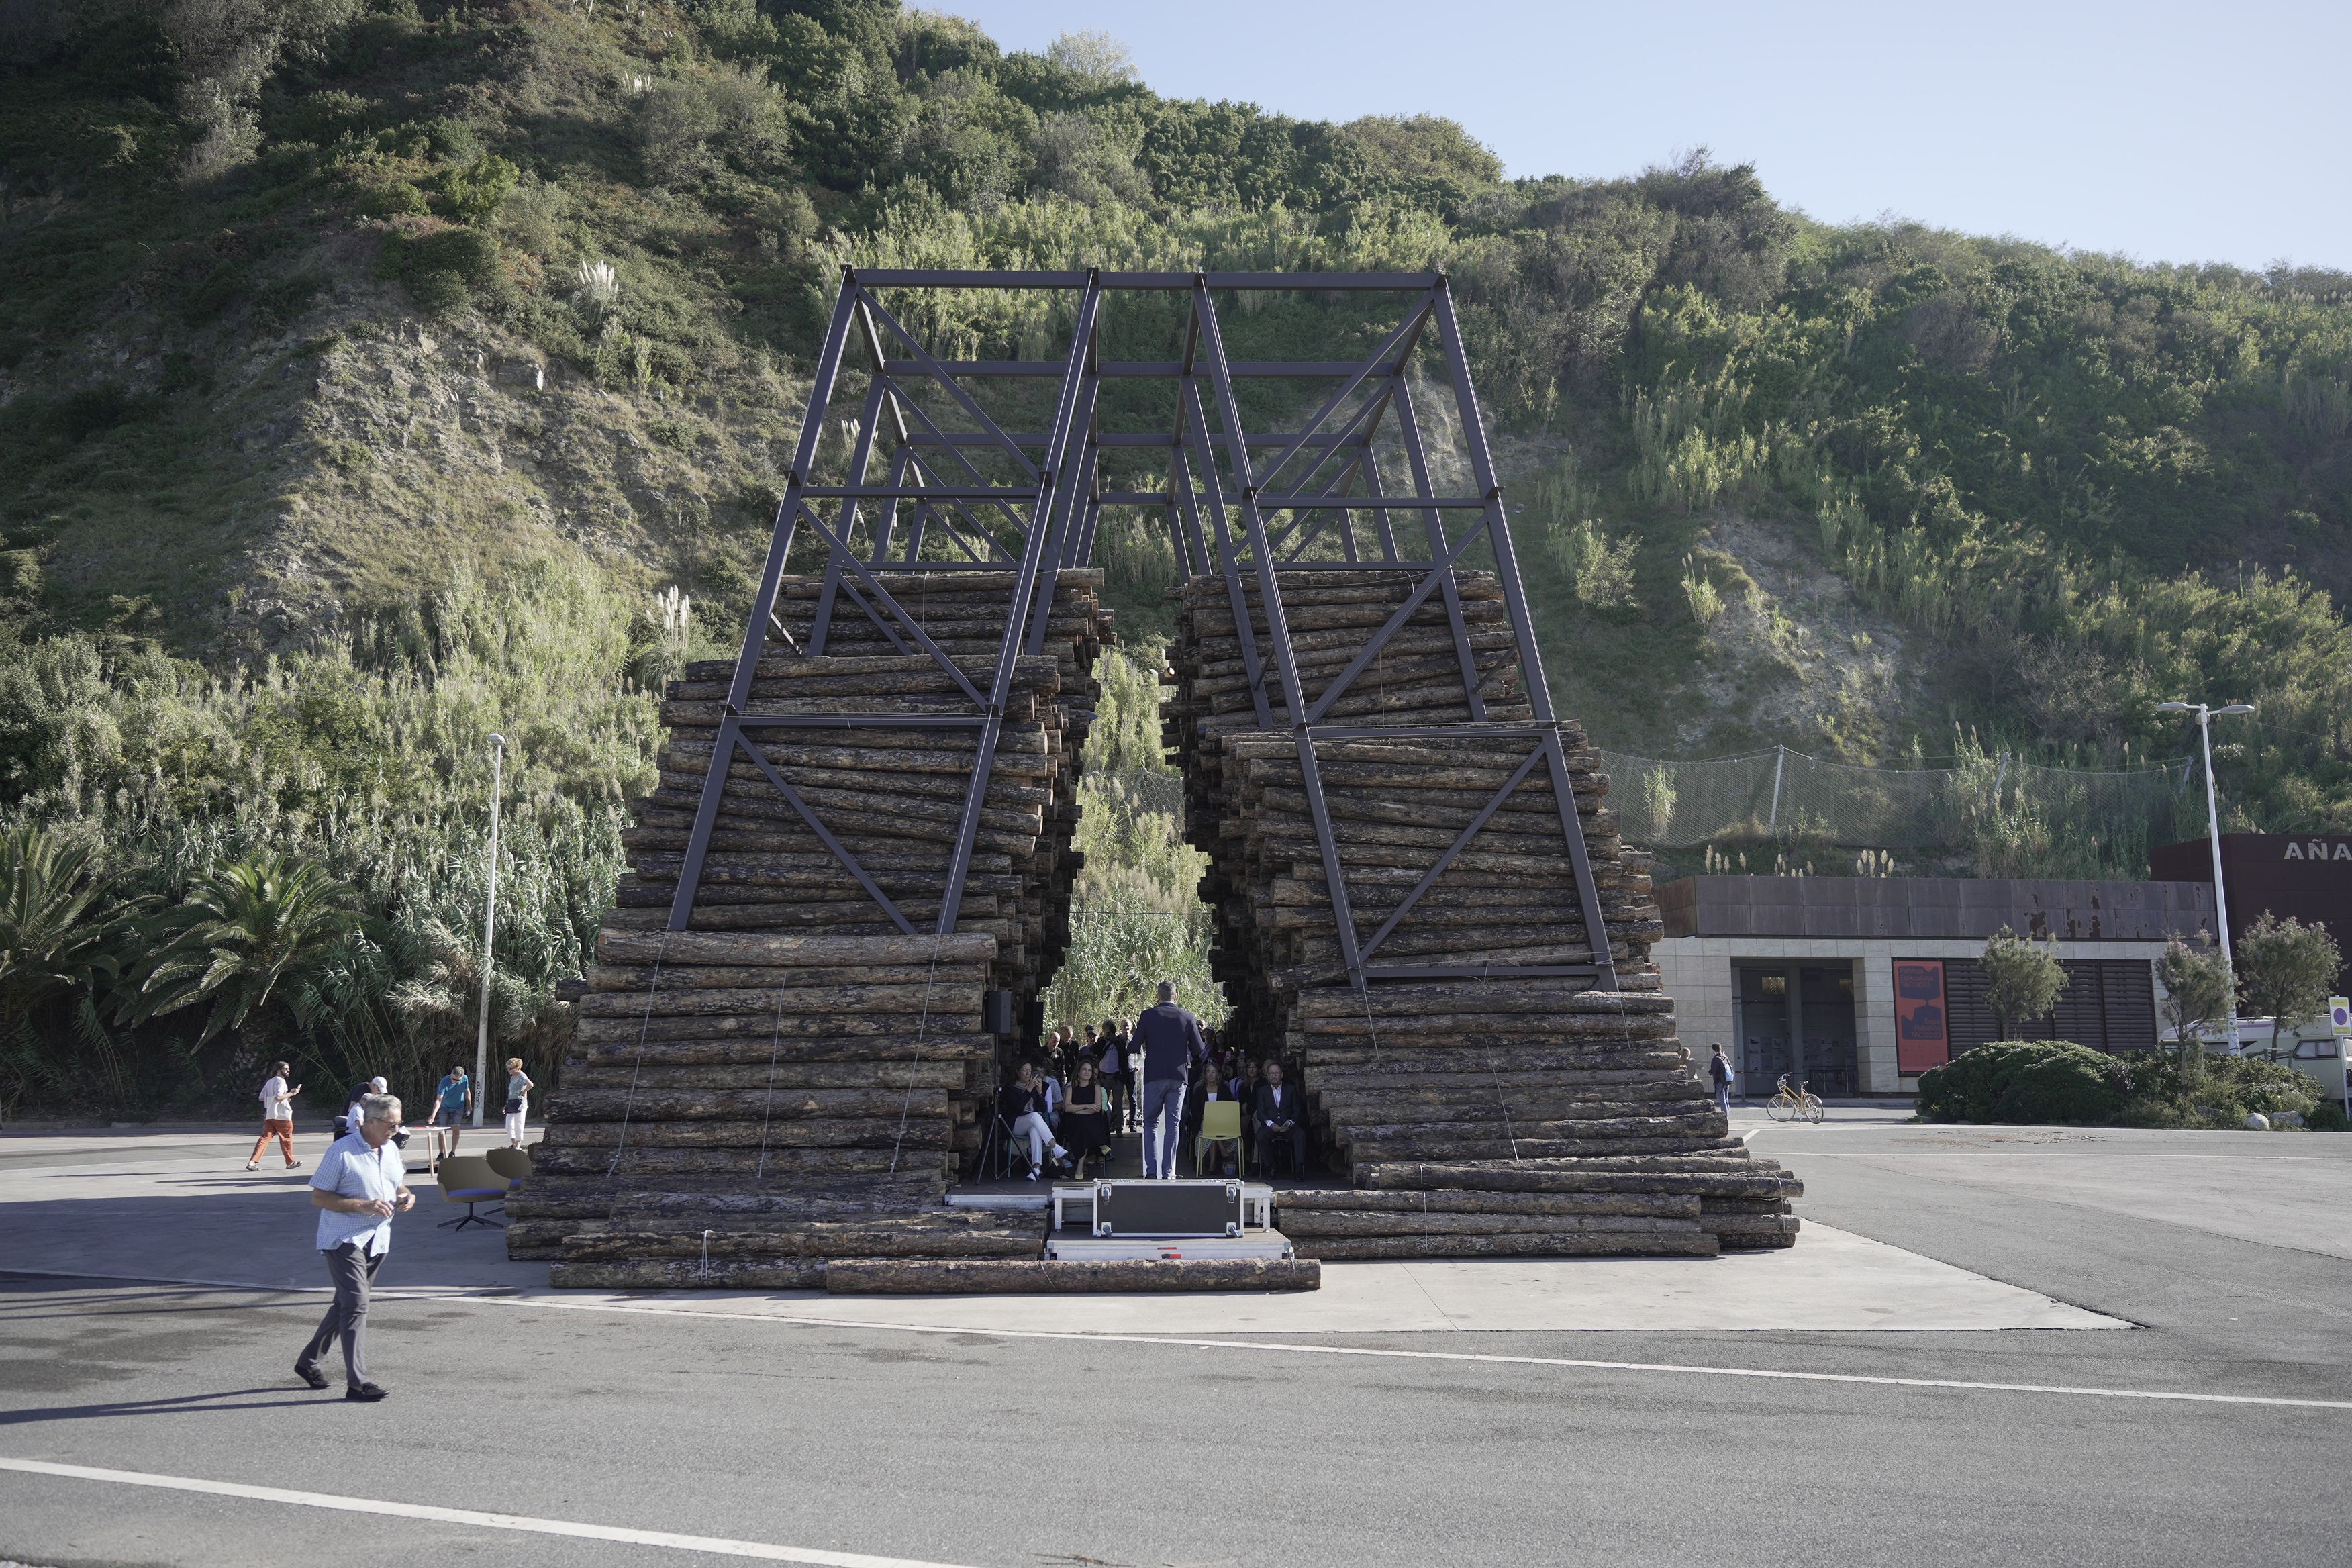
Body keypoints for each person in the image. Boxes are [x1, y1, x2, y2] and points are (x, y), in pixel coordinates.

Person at [295, 1092, 413, 1401]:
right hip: (344, 1239)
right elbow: (319, 1197)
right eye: (391, 1125)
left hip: (378, 1240)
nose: (396, 1131)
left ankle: (308, 1362)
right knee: (358, 1304)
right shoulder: (342, 1151)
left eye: (399, 1124)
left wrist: (406, 1196)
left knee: (346, 1305)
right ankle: (358, 1383)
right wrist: (363, 1205)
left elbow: (398, 1184)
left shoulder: (390, 1149)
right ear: (370, 1122)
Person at [1134, 981, 1206, 1180]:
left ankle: (1151, 1172)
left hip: (1154, 1076)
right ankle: (1167, 1173)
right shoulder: (1188, 1017)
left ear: (1157, 996)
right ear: (1176, 995)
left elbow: (1134, 1045)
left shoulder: (1147, 1015)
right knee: (1173, 1125)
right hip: (1178, 1077)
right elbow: (1200, 1049)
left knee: (1150, 1123)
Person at [1001, 1061, 1071, 1181]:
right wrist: (1029, 1088)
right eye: (1024, 1070)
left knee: (1035, 1130)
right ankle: (1055, 1146)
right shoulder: (1010, 1088)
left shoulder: (1033, 1087)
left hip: (1031, 1123)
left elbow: (1044, 1109)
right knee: (1034, 1116)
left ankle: (1036, 1169)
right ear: (1018, 1072)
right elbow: (1019, 1106)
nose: (1028, 1074)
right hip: (1015, 1124)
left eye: (1030, 1071)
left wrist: (1039, 1092)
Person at [1058, 1059, 1114, 1178]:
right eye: (1084, 1069)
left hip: (1088, 1121)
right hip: (1073, 1123)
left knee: (1085, 1124)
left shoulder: (1096, 1087)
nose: (1087, 1072)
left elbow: (1097, 1108)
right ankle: (1101, 1144)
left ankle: (1080, 1167)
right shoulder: (1071, 1088)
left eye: (1089, 1070)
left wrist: (1077, 1111)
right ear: (1078, 1072)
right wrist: (1087, 1106)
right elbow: (1067, 1108)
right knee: (1085, 1124)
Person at [1184, 1060, 1239, 1177]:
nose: (1210, 1074)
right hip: (1204, 1124)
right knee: (1209, 1125)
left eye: (1213, 1072)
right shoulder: (1199, 1091)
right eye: (1208, 1072)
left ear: (1218, 1075)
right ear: (1205, 1074)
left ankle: (1212, 1165)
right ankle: (1222, 1153)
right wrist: (1204, 1116)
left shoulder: (1224, 1090)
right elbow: (1195, 1111)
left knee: (1213, 1128)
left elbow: (1229, 1108)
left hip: (1223, 1124)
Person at [1253, 1060, 1306, 1177]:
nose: (1274, 1076)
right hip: (1271, 1125)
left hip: (1288, 1125)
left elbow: (1297, 1110)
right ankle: (1272, 1166)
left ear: (1281, 1075)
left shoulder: (1291, 1089)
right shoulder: (1262, 1091)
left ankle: (1299, 1168)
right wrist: (1271, 1124)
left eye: (1276, 1073)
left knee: (1300, 1134)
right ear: (1268, 1075)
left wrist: (1289, 1122)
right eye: (1271, 1073)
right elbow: (1260, 1113)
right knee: (1260, 1136)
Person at [246, 1063, 303, 1171]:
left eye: (288, 1069)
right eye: (285, 1069)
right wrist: (292, 1093)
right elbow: (278, 1097)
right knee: (286, 1139)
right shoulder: (281, 1081)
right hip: (282, 1115)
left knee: (265, 1138)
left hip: (270, 1114)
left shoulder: (270, 1081)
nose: (288, 1070)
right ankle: (290, 1162)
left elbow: (262, 1098)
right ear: (278, 1070)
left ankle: (252, 1162)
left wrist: (282, 1099)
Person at [1094, 1017, 1131, 1134]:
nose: (1108, 1032)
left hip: (1117, 1077)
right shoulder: (1101, 1041)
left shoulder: (1119, 1041)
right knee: (1102, 1102)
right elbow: (1095, 1051)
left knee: (1118, 1103)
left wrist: (1115, 1041)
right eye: (1106, 1030)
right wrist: (1104, 1040)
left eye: (1110, 1030)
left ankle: (1118, 1126)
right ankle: (1103, 1125)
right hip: (1104, 1076)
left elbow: (1125, 1054)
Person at [503, 1058, 534, 1148]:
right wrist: (507, 1105)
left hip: (520, 1103)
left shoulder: (522, 1076)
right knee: (509, 1125)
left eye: (510, 1068)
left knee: (518, 1124)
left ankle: (517, 1146)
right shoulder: (513, 1077)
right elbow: (512, 1092)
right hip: (512, 1102)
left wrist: (523, 1092)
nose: (509, 1070)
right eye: (508, 1068)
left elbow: (531, 1085)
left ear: (517, 1068)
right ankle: (514, 1144)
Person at [1708, 1045, 1734, 1116]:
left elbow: (1713, 1071)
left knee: (1722, 1101)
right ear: (1721, 1049)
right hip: (1727, 1081)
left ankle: (1725, 1117)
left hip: (1719, 1081)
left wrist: (1710, 1072)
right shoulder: (1725, 1057)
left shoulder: (1716, 1059)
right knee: (1726, 1100)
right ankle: (1727, 1116)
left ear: (1713, 1050)